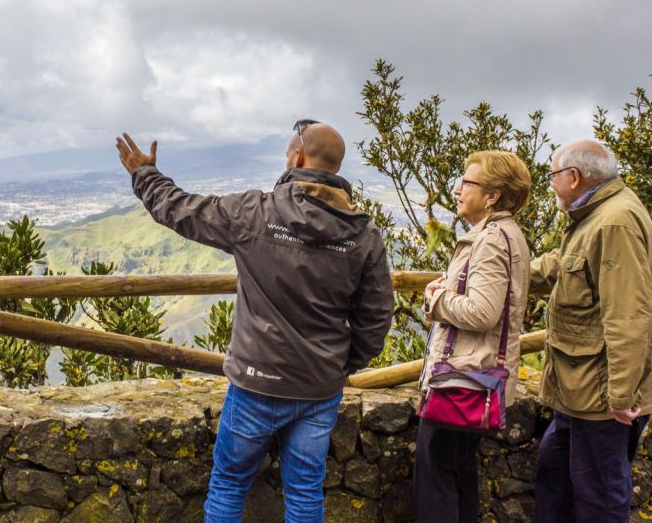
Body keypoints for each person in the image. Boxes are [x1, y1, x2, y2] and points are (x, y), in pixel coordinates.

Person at [115, 121, 394, 523]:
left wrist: (145, 175)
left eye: (286, 153)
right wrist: (342, 364)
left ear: (297, 158)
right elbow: (376, 317)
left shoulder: (255, 212)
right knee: (304, 492)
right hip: (318, 387)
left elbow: (183, 210)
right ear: (335, 168)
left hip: (255, 381)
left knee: (229, 484)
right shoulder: (363, 235)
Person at [532, 140, 652, 522]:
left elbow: (627, 315)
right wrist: (500, 270)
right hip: (579, 390)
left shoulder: (614, 223)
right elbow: (561, 264)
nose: (550, 185)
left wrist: (621, 394)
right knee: (556, 478)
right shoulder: (595, 216)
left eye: (552, 176)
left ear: (573, 176)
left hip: (601, 397)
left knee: (599, 497)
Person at [414, 150, 532, 523]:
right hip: (474, 377)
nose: (459, 189)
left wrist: (437, 297)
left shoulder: (491, 240)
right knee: (459, 473)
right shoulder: (501, 235)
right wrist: (449, 290)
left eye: (467, 182)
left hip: (462, 378)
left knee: (436, 482)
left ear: (492, 195)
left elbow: (483, 313)